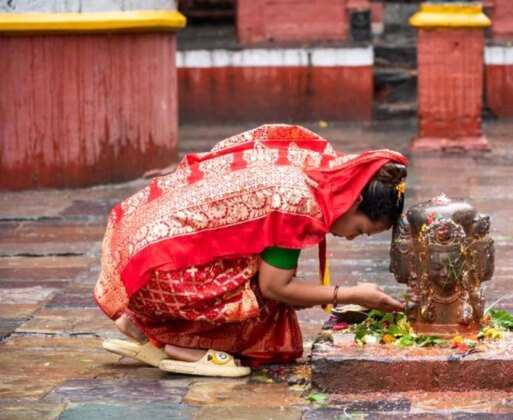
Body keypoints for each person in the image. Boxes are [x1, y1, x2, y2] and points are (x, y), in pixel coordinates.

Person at [95, 124, 407, 377]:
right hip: (158, 272)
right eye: (361, 230)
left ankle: (137, 320)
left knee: (276, 292)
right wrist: (352, 294)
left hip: (143, 250)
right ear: (355, 201)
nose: (352, 238)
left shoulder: (316, 166)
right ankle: (177, 345)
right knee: (265, 300)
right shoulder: (299, 205)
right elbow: (274, 287)